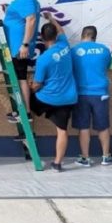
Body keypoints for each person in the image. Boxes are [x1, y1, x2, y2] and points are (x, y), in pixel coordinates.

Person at [30, 13, 77, 172]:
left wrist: (30, 87)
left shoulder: (43, 59)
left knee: (27, 99)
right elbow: (61, 30)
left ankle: (26, 121)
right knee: (62, 131)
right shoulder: (64, 45)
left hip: (48, 99)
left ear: (42, 39)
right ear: (56, 36)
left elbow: (37, 85)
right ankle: (57, 163)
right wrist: (51, 18)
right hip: (68, 98)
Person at [71, 26, 112, 167]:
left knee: (83, 127)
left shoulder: (74, 51)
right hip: (100, 93)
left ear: (82, 35)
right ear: (95, 37)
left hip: (81, 93)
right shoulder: (104, 50)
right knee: (103, 126)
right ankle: (106, 156)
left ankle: (85, 158)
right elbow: (106, 66)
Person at [3, 0, 41, 124]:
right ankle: (23, 111)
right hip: (18, 46)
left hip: (20, 48)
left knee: (21, 79)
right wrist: (9, 11)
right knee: (20, 78)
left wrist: (24, 44)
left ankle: (25, 112)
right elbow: (23, 17)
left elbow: (30, 19)